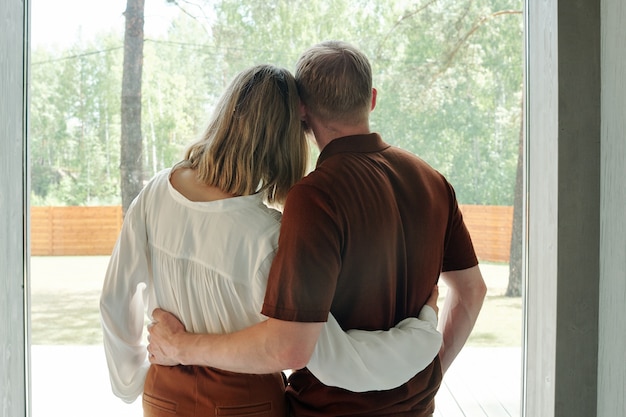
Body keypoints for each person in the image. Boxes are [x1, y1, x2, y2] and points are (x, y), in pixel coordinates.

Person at [147, 42, 487, 417]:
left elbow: (288, 348)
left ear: (301, 111)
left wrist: (180, 347)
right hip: (419, 409)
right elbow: (471, 292)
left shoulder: (314, 197)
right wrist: (431, 371)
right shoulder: (433, 182)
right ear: (371, 99)